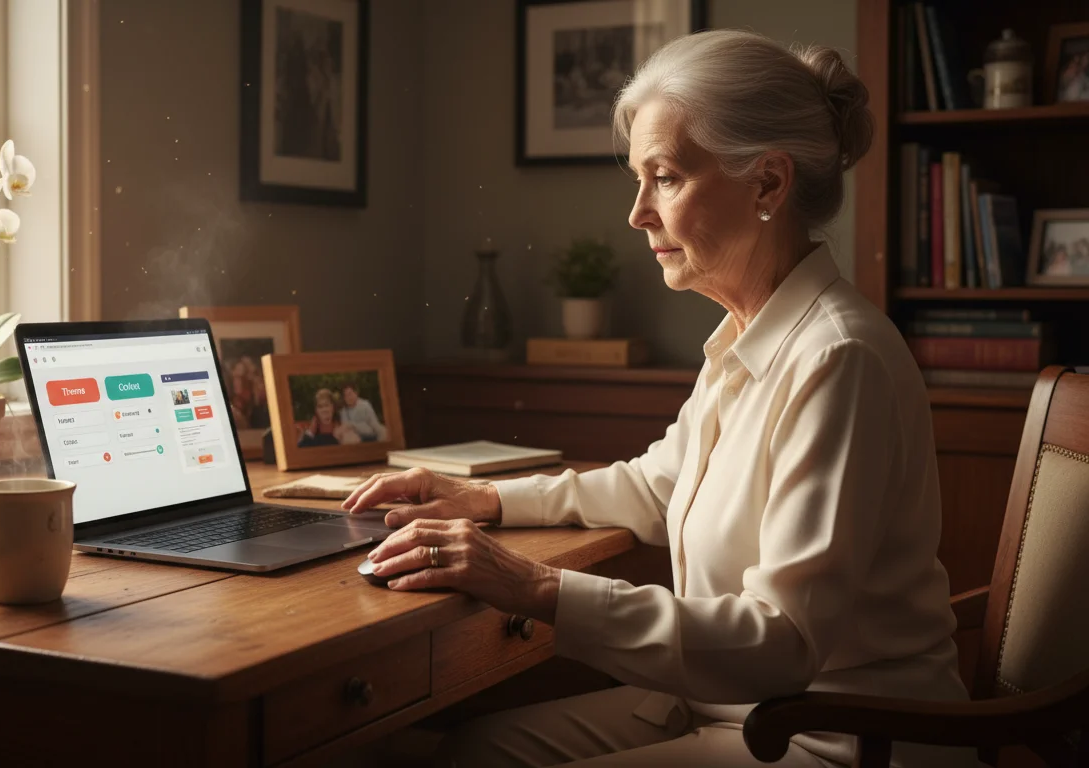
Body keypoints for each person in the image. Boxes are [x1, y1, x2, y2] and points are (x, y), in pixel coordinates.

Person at [343, 29, 973, 768]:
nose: (638, 212)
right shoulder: (751, 331)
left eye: (665, 176)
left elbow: (784, 642)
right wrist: (487, 501)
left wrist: (536, 585)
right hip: (734, 707)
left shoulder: (839, 357)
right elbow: (655, 484)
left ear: (769, 184)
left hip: (832, 735)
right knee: (475, 750)